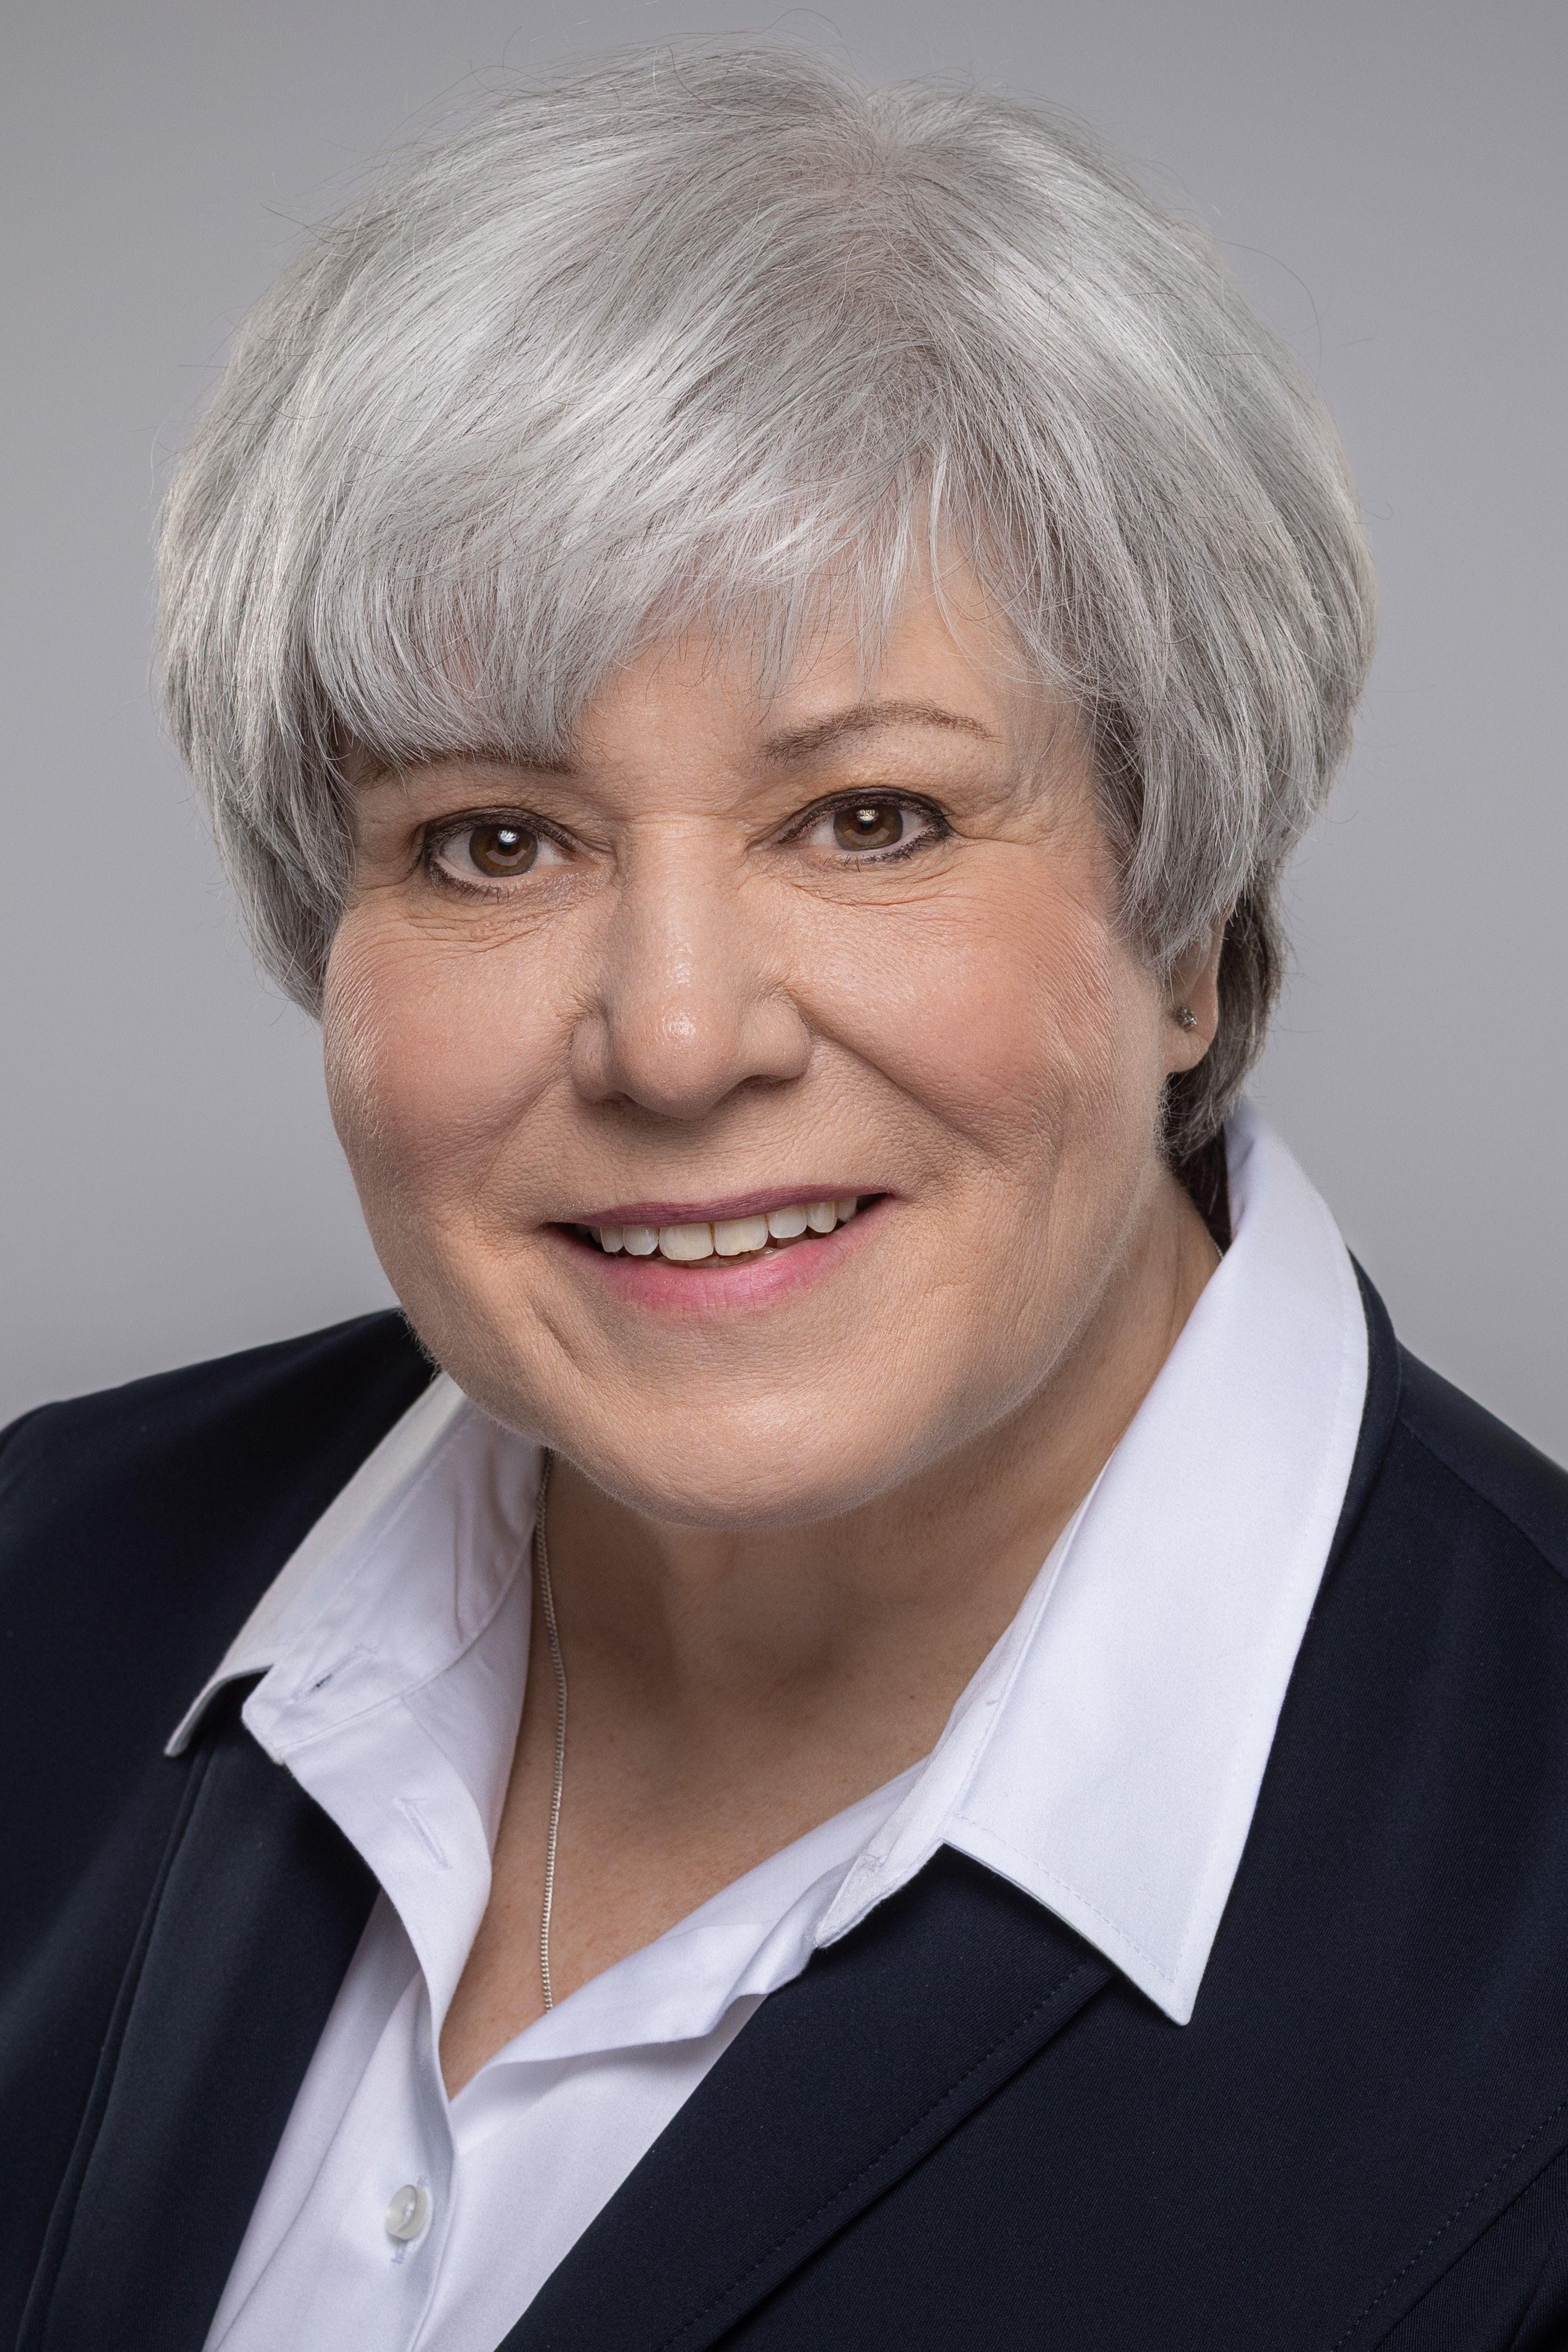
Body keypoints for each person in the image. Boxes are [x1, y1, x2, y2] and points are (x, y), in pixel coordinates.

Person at [6, 39, 1567, 2352]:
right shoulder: (43, 1571)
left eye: (868, 820)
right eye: (492, 840)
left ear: (1184, 926)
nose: (673, 1037)